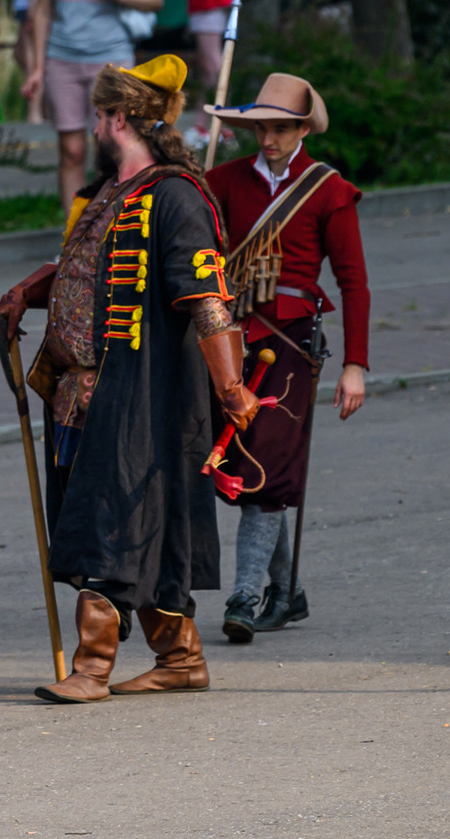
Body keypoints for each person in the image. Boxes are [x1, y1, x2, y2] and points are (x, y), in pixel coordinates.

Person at [0, 57, 259, 704]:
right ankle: (180, 658)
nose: (95, 120)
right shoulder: (108, 192)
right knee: (126, 522)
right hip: (80, 393)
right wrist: (34, 289)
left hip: (143, 391)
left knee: (112, 521)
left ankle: (93, 668)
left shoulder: (175, 195)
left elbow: (207, 298)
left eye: (100, 111)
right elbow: (86, 269)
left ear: (118, 118)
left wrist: (231, 387)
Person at [200, 73, 367, 643]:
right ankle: (288, 590)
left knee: (262, 471)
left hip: (292, 347)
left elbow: (354, 283)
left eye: (278, 129)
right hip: (227, 343)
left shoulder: (328, 189)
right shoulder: (219, 181)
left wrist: (355, 365)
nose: (267, 139)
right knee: (239, 469)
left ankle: (245, 597)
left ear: (301, 129)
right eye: (260, 128)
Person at [23, 0, 165, 208]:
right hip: (63, 58)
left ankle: (113, 229)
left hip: (111, 60)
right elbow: (42, 12)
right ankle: (74, 238)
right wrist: (38, 69)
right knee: (71, 150)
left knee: (113, 149)